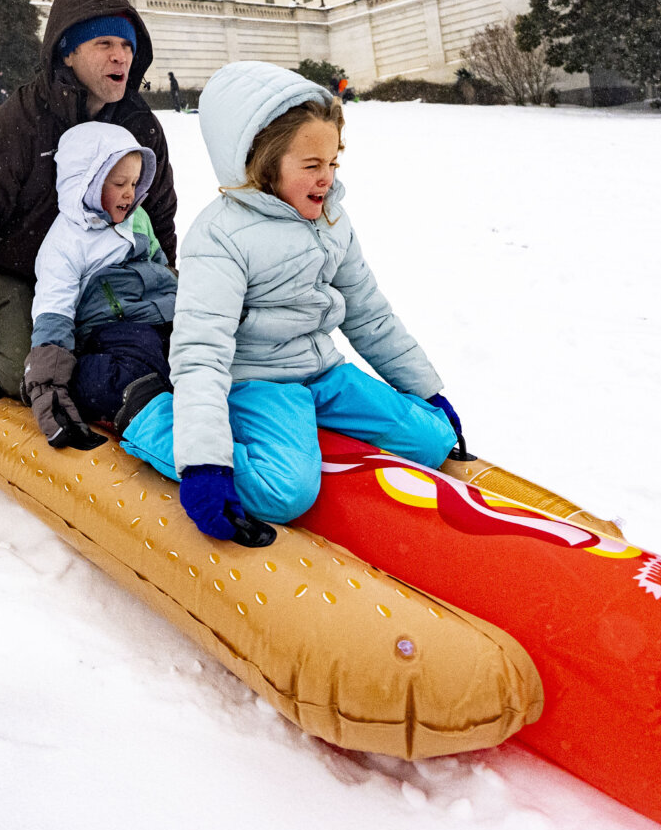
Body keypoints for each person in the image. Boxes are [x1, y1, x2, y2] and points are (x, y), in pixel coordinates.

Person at [119, 61, 469, 547]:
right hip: (258, 380)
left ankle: (329, 422)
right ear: (263, 164)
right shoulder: (220, 236)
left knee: (431, 441)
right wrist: (204, 464)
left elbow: (370, 313)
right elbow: (202, 351)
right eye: (310, 166)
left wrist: (426, 390)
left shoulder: (332, 221)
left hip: (323, 372)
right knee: (283, 493)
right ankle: (156, 420)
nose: (326, 179)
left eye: (332, 164)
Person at [0, 0, 177, 404]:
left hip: (98, 268)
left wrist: (165, 287)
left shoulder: (138, 127)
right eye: (104, 43)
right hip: (15, 272)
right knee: (20, 373)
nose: (121, 56)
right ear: (69, 50)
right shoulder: (14, 129)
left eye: (128, 45)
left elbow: (158, 216)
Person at [21, 122, 177, 450]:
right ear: (85, 183)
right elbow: (54, 309)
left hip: (162, 317)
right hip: (112, 332)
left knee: (197, 348)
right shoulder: (64, 243)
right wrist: (46, 383)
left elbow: (159, 266)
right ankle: (165, 434)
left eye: (134, 183)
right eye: (119, 183)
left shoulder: (138, 219)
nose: (129, 194)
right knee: (121, 375)